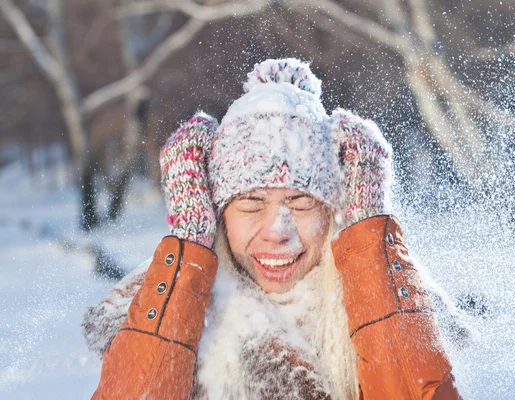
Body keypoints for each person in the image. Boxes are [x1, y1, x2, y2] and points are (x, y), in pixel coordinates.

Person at [84, 58, 463, 399]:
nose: (277, 231)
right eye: (250, 203)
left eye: (301, 202)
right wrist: (189, 242)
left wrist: (367, 232)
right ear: (217, 214)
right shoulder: (159, 312)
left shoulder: (401, 307)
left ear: (335, 209)